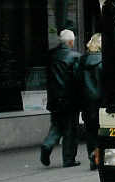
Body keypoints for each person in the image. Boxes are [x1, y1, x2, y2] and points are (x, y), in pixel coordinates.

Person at [41, 29, 81, 167]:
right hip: (69, 99)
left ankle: (47, 144)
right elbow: (77, 79)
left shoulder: (51, 55)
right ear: (70, 42)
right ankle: (68, 159)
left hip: (54, 98)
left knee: (57, 125)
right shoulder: (75, 56)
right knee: (70, 130)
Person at [77, 33, 103, 170]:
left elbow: (77, 82)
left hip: (86, 103)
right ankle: (98, 156)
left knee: (90, 131)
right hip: (101, 102)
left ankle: (92, 157)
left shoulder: (81, 61)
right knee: (101, 130)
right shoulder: (103, 61)